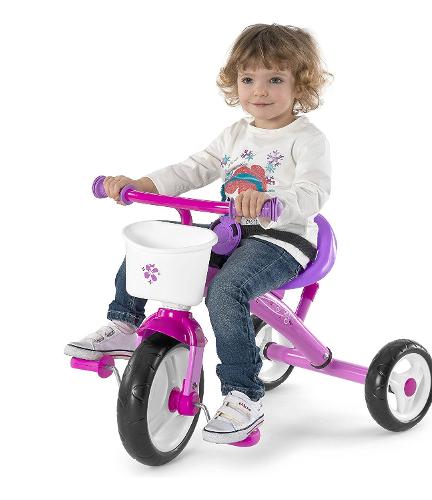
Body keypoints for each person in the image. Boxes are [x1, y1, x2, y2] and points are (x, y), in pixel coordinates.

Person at [65, 23, 333, 444]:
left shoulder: (307, 138)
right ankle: (124, 326)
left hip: (283, 240)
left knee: (226, 291)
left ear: (300, 84)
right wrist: (142, 184)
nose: (259, 91)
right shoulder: (235, 134)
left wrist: (272, 199)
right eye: (249, 79)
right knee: (156, 243)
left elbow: (314, 191)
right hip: (229, 231)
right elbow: (193, 169)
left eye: (275, 79)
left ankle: (244, 394)